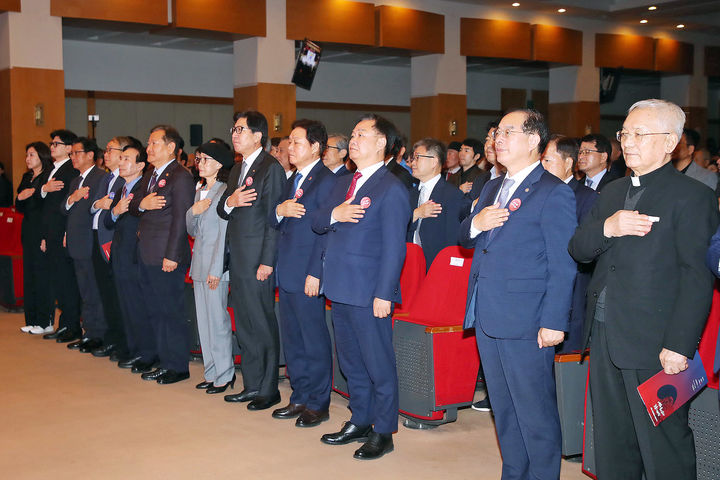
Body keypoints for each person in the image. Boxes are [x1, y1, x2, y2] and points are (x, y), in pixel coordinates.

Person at [569, 99, 719, 480]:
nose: (629, 142)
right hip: (604, 333)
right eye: (625, 133)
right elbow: (579, 249)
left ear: (670, 141)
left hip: (656, 342)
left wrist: (680, 345)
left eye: (640, 133)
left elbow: (697, 277)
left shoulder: (692, 197)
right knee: (613, 440)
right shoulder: (613, 191)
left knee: (663, 444)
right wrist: (609, 227)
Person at [460, 108, 577, 479]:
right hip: (488, 312)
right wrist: (475, 223)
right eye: (497, 132)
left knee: (534, 412)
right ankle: (514, 472)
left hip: (527, 320)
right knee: (504, 409)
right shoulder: (493, 185)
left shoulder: (552, 192)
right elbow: (466, 234)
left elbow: (563, 264)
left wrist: (554, 321)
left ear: (533, 141)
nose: (498, 138)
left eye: (508, 132)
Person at [313, 113, 411, 460]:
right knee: (351, 361)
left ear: (382, 143)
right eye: (352, 135)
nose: (353, 141)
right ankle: (361, 418)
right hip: (340, 286)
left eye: (361, 135)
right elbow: (318, 220)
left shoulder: (392, 187)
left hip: (370, 292)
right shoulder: (344, 183)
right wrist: (333, 215)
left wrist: (385, 292)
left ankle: (384, 431)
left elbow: (394, 247)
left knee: (377, 363)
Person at [270, 119, 337, 427]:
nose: (290, 148)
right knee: (293, 338)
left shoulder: (327, 180)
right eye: (290, 142)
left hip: (308, 271)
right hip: (287, 268)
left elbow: (327, 231)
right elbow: (278, 218)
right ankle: (299, 396)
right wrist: (279, 211)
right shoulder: (293, 178)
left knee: (313, 339)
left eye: (297, 142)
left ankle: (318, 403)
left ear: (315, 147)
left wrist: (316, 272)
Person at [218, 110, 285, 410]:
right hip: (238, 258)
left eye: (241, 129)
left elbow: (274, 220)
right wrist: (230, 201)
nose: (235, 134)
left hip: (258, 260)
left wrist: (267, 261)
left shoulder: (271, 168)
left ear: (258, 136)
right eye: (233, 128)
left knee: (261, 323)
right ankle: (252, 384)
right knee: (244, 324)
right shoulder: (236, 169)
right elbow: (223, 209)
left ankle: (269, 389)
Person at [129, 125, 195, 385]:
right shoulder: (149, 175)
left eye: (154, 143)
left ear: (171, 147)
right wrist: (141, 204)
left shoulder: (181, 176)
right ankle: (163, 361)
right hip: (146, 253)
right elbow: (132, 203)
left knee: (171, 312)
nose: (148, 148)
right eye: (148, 143)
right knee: (155, 310)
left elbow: (181, 219)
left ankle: (178, 366)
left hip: (166, 256)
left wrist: (172, 255)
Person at [186, 142, 235, 394]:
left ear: (218, 164)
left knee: (218, 323)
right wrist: (192, 212)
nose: (200, 163)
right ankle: (211, 371)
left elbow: (224, 235)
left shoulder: (224, 191)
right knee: (204, 324)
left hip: (216, 267)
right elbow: (193, 231)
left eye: (205, 159)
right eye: (198, 159)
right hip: (199, 265)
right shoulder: (200, 190)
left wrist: (217, 270)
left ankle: (225, 373)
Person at [541, 135, 597, 353]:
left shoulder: (586, 197)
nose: (542, 167)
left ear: (568, 163)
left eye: (548, 161)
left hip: (570, 291)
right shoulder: (536, 193)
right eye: (541, 161)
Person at [105, 139, 156, 371]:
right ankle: (133, 349)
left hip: (136, 255)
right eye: (121, 158)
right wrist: (115, 211)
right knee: (125, 304)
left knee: (138, 306)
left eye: (127, 159)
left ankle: (147, 353)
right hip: (119, 254)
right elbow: (107, 221)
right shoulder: (119, 190)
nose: (121, 163)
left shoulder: (144, 189)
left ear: (139, 165)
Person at [62, 137, 110, 353]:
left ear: (90, 155)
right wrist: (73, 198)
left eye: (76, 152)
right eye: (71, 153)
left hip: (91, 243)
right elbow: (64, 208)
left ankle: (97, 334)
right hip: (76, 241)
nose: (73, 157)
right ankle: (88, 331)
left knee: (94, 290)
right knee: (84, 290)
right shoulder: (75, 181)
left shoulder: (101, 177)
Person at [87, 136, 130, 358]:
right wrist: (98, 203)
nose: (106, 154)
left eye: (111, 150)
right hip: (97, 239)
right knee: (104, 292)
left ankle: (121, 341)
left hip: (112, 241)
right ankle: (110, 337)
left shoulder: (126, 180)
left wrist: (104, 205)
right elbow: (92, 206)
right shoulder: (105, 179)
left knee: (117, 295)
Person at [40, 129, 81, 343]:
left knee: (66, 281)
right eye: (51, 143)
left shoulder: (71, 170)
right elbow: (45, 203)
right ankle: (65, 324)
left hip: (63, 232)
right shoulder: (51, 169)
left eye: (56, 143)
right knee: (59, 280)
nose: (52, 147)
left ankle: (71, 326)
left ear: (68, 147)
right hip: (52, 232)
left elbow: (69, 206)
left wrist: (66, 232)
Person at [407, 138, 470, 269]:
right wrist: (416, 214)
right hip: (410, 265)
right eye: (413, 158)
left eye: (417, 157)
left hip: (437, 267)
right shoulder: (410, 194)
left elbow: (452, 240)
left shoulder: (451, 194)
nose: (413, 163)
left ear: (434, 161)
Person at [16, 143, 54, 334]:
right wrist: (23, 197)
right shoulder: (26, 177)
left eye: (31, 154)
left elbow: (44, 204)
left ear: (41, 155)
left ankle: (44, 320)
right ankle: (31, 319)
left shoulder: (48, 176)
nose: (27, 159)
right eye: (26, 155)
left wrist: (32, 194)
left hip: (42, 230)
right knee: (29, 276)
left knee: (42, 276)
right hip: (28, 230)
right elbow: (19, 204)